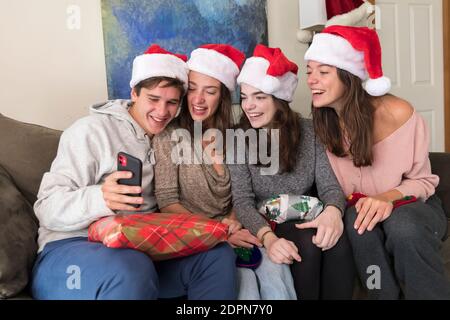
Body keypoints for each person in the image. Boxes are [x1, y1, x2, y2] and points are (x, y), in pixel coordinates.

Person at [31, 44, 237, 300]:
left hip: (141, 249)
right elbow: (46, 206)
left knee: (217, 254)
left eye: (172, 102)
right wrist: (101, 198)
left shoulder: (172, 138)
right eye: (153, 99)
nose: (162, 112)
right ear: (134, 93)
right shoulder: (90, 131)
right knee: (132, 266)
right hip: (72, 250)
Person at [304, 25, 450, 299]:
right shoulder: (321, 126)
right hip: (358, 211)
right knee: (359, 223)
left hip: (412, 206)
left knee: (401, 225)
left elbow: (424, 181)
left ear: (349, 77)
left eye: (323, 72)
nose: (312, 80)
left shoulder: (398, 113)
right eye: (309, 71)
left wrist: (385, 198)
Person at [153, 44, 296, 300]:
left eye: (209, 91)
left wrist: (233, 220)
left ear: (222, 96)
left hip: (240, 228)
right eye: (193, 89)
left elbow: (243, 193)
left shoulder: (236, 135)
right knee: (245, 287)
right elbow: (167, 202)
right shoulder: (169, 136)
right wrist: (218, 229)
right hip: (197, 235)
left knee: (274, 272)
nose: (198, 99)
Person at [229, 44, 355, 300]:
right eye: (244, 97)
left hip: (308, 211)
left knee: (338, 242)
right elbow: (242, 201)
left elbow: (330, 186)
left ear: (279, 99)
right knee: (306, 245)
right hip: (269, 221)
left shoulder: (310, 131)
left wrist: (333, 212)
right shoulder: (238, 139)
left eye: (260, 97)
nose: (249, 106)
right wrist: (267, 239)